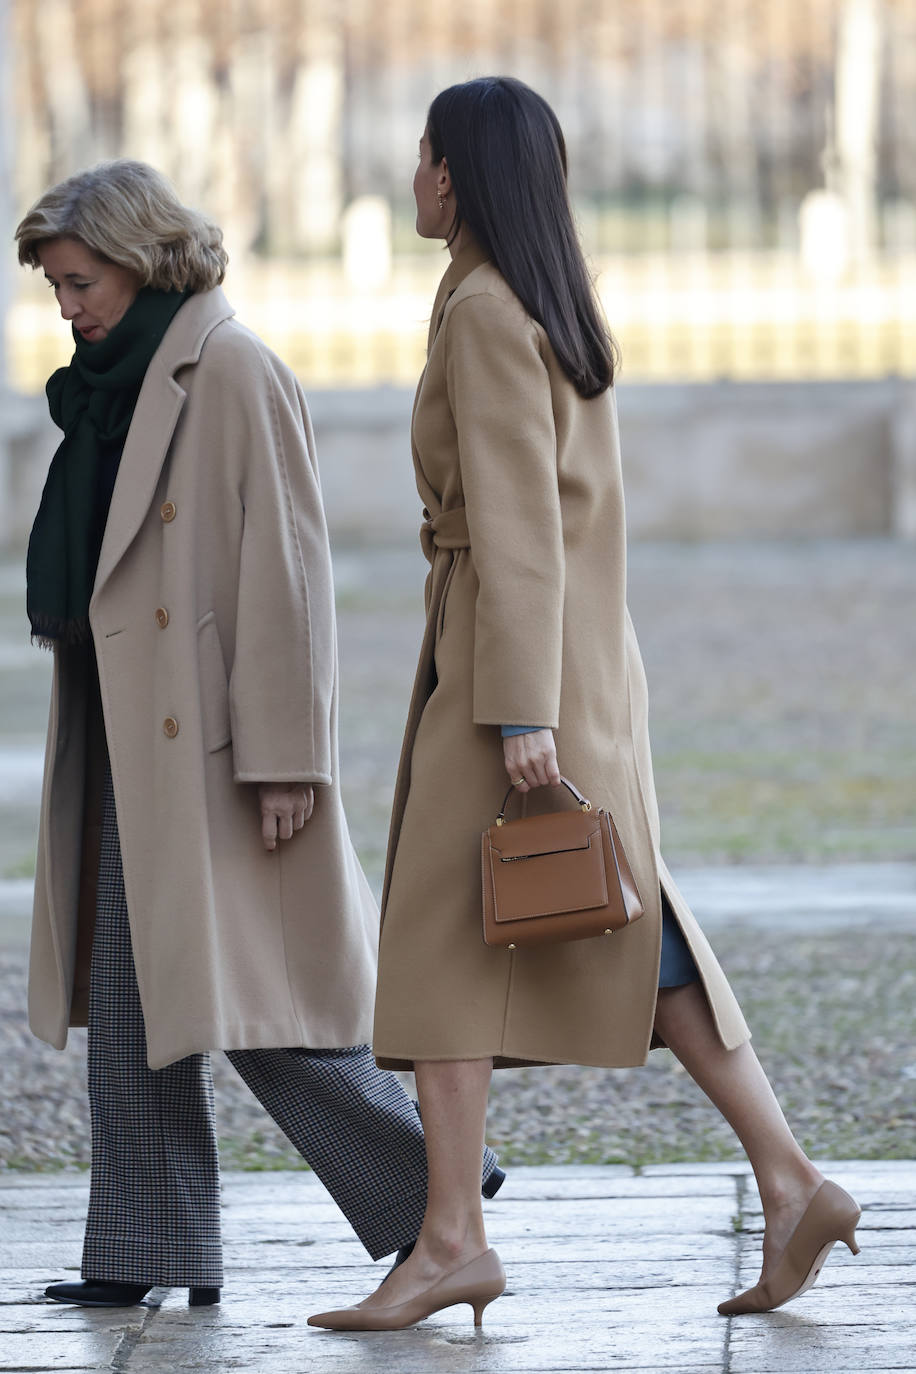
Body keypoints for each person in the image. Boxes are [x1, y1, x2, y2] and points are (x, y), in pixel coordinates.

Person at [307, 77, 861, 1333]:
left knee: (455, 935)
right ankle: (787, 1181)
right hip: (563, 664)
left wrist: (513, 712)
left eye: (421, 155)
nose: (410, 176)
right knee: (617, 923)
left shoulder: (490, 312)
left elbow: (516, 530)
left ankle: (450, 1240)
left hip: (519, 669)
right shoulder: (530, 297)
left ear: (456, 177)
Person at [14, 160, 501, 1308]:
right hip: (130, 727)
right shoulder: (114, 380)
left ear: (140, 261)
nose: (67, 309)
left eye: (80, 282)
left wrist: (288, 759)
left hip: (218, 750)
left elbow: (288, 581)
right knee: (137, 999)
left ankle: (443, 1192)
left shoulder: (230, 370)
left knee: (259, 1002)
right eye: (55, 289)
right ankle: (144, 1250)